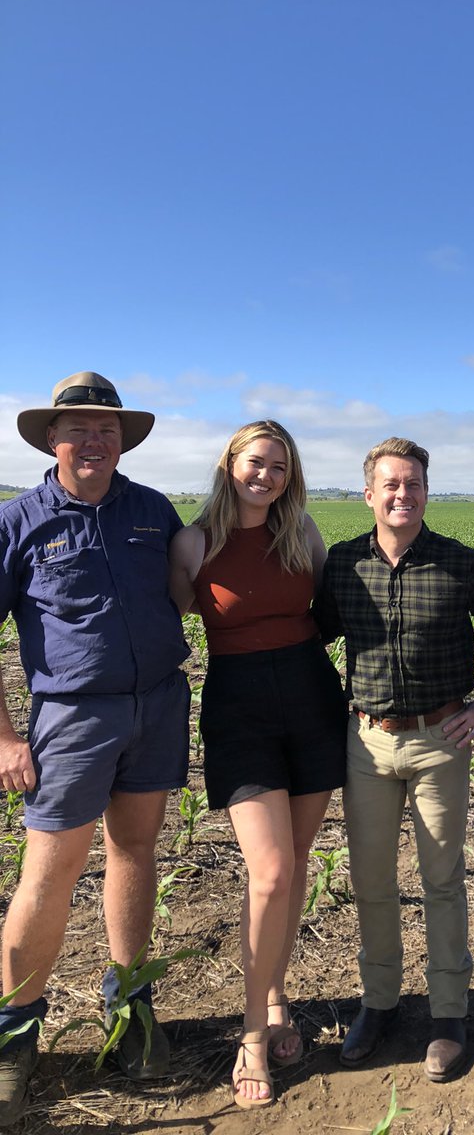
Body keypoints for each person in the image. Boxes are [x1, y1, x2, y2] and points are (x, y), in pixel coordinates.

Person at [0, 372, 191, 1126]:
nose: (92, 439)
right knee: (48, 875)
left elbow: (191, 587)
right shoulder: (20, 521)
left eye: (105, 428)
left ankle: (130, 1005)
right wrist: (7, 735)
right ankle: (15, 1035)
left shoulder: (152, 511)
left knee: (136, 850)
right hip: (70, 720)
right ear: (53, 438)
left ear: (123, 439)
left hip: (158, 706)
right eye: (77, 428)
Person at [315, 437, 474, 1083]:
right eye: (391, 484)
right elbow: (309, 634)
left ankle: (448, 1014)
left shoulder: (457, 563)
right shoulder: (343, 565)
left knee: (441, 879)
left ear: (427, 492)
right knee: (371, 882)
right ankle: (379, 1004)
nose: (403, 494)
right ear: (369, 494)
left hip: (441, 741)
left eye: (414, 484)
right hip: (367, 742)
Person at [168, 419, 346, 1109]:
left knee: (295, 864)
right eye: (255, 463)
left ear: (290, 477)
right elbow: (162, 622)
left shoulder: (302, 535)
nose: (266, 476)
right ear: (229, 465)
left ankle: (276, 997)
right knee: (268, 869)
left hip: (309, 699)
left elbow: (332, 614)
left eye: (279, 467)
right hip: (237, 706)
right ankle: (250, 1033)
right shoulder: (193, 542)